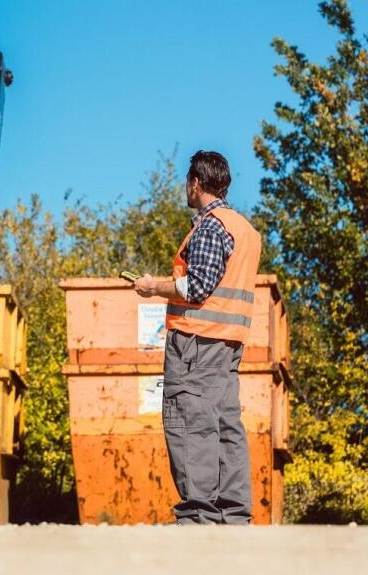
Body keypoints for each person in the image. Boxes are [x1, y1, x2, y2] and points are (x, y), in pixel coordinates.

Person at [133, 150, 262, 525]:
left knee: (190, 423)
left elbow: (197, 287)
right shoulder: (246, 230)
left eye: (186, 182)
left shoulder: (209, 227)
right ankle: (233, 519)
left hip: (195, 344)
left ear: (195, 183)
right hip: (227, 345)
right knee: (225, 427)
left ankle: (198, 520)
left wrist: (152, 286)